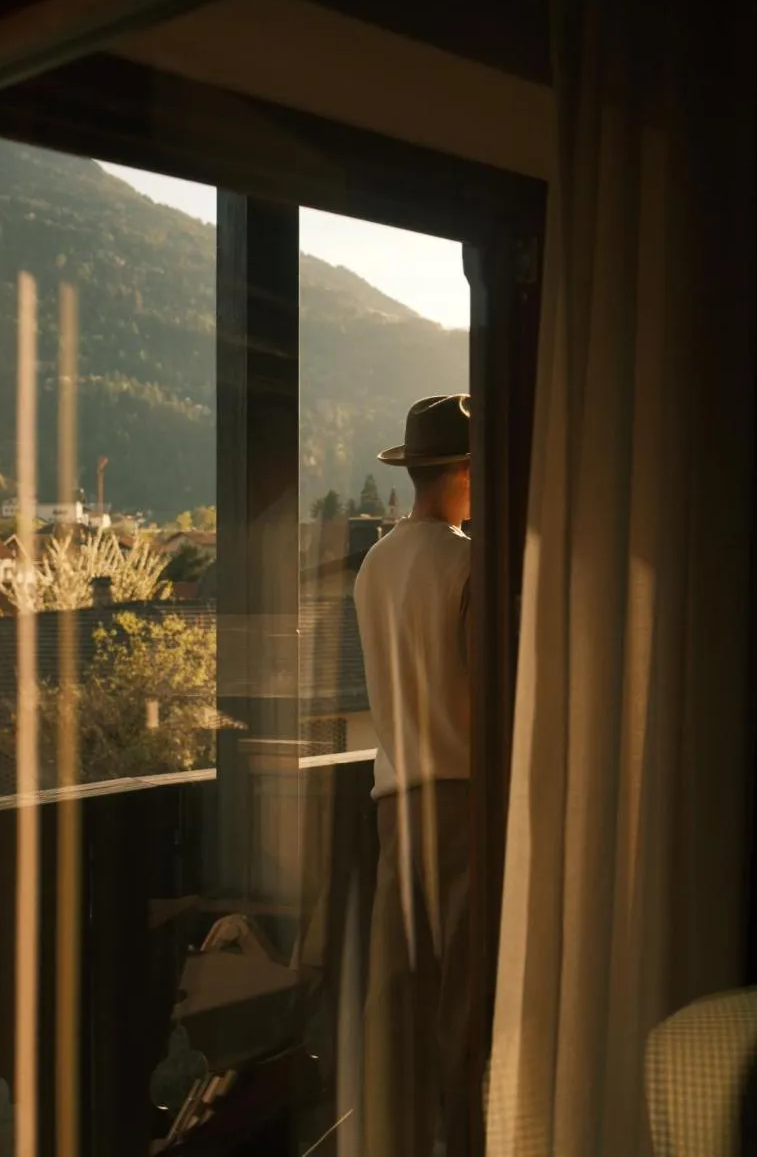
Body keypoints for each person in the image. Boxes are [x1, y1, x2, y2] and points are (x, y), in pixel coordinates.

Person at [354, 394, 473, 1157]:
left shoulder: (374, 565)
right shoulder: (466, 562)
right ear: (465, 471)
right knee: (466, 1006)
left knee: (398, 1006)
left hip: (395, 805)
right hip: (464, 803)